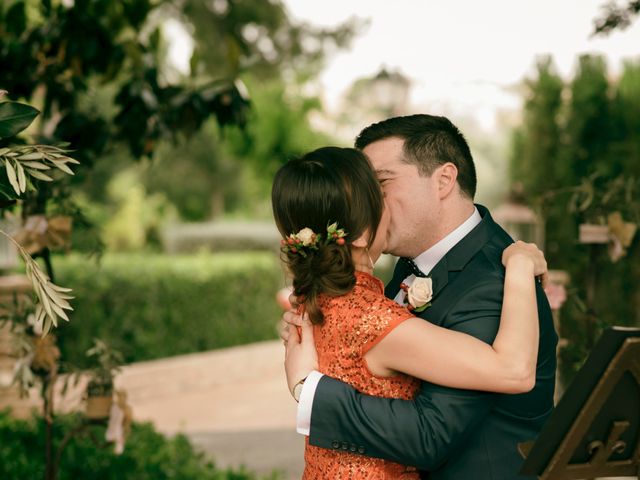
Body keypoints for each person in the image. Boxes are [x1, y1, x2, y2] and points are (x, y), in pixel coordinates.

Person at [281, 115, 558, 480]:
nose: (373, 202)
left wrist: (310, 390)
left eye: (380, 183)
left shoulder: (495, 283)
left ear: (444, 180)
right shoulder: (395, 274)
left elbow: (430, 436)